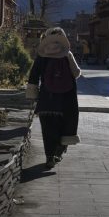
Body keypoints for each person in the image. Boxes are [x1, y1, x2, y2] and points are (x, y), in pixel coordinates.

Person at [25, 27, 81, 169]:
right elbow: (76, 73)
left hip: (47, 98)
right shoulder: (67, 54)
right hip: (66, 98)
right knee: (66, 126)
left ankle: (49, 156)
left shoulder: (42, 56)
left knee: (48, 128)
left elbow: (33, 76)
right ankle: (59, 151)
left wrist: (32, 94)